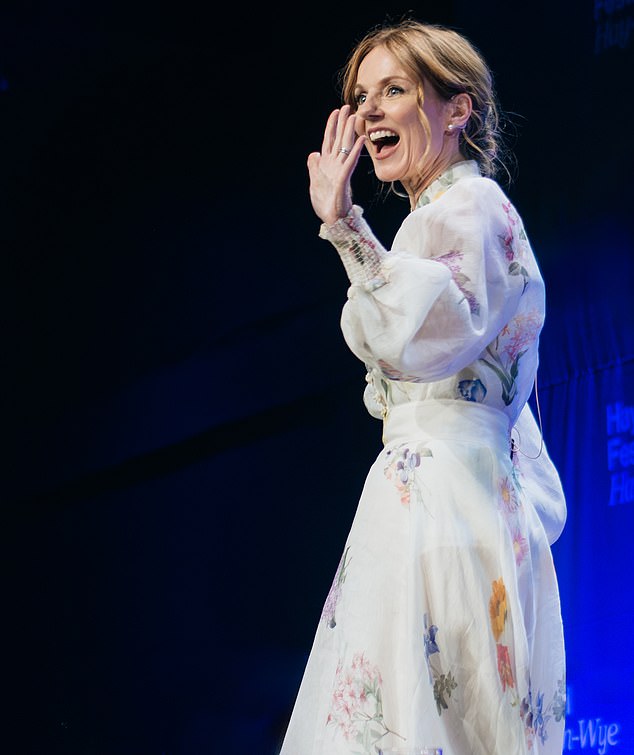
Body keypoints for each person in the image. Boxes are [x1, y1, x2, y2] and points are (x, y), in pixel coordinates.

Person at [280, 19, 566, 755]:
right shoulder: (436, 221)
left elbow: (427, 335)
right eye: (360, 97)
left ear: (456, 108)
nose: (369, 111)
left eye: (394, 90)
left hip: (441, 502)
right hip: (447, 494)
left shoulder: (469, 208)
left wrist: (345, 225)